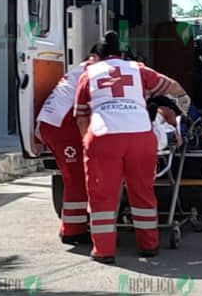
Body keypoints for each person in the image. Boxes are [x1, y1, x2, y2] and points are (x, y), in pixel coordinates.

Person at [73, 31, 190, 263]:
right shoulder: (138, 69)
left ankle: (104, 251)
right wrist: (184, 102)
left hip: (104, 136)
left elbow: (81, 115)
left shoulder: (88, 74)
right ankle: (149, 245)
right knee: (143, 192)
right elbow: (173, 86)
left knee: (103, 196)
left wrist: (88, 141)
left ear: (99, 55)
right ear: (123, 53)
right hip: (140, 136)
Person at [35, 54, 96, 245]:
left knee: (75, 176)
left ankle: (73, 226)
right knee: (75, 177)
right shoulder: (94, 72)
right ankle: (72, 231)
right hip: (60, 127)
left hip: (55, 123)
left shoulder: (83, 69)